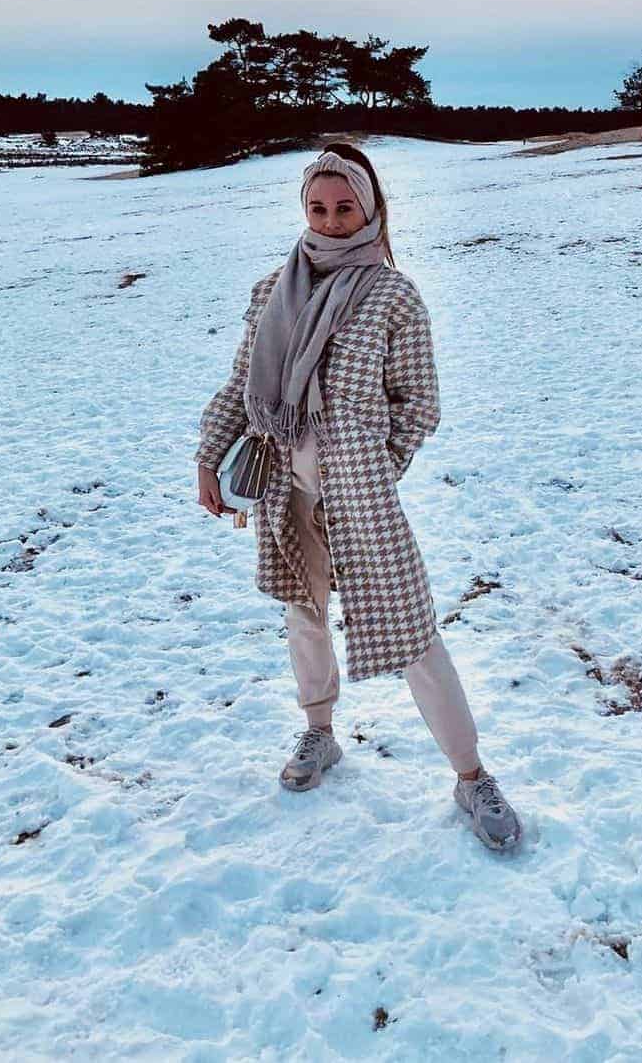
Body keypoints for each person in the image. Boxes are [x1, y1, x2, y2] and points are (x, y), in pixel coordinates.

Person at [195, 142, 522, 850]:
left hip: (362, 499)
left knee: (413, 634)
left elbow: (419, 404)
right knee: (303, 615)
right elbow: (239, 387)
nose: (332, 220)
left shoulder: (393, 295)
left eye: (346, 208)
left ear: (370, 210)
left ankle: (471, 776)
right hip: (283, 488)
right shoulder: (270, 291)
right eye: (319, 207)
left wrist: (376, 466)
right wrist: (206, 457)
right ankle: (320, 733)